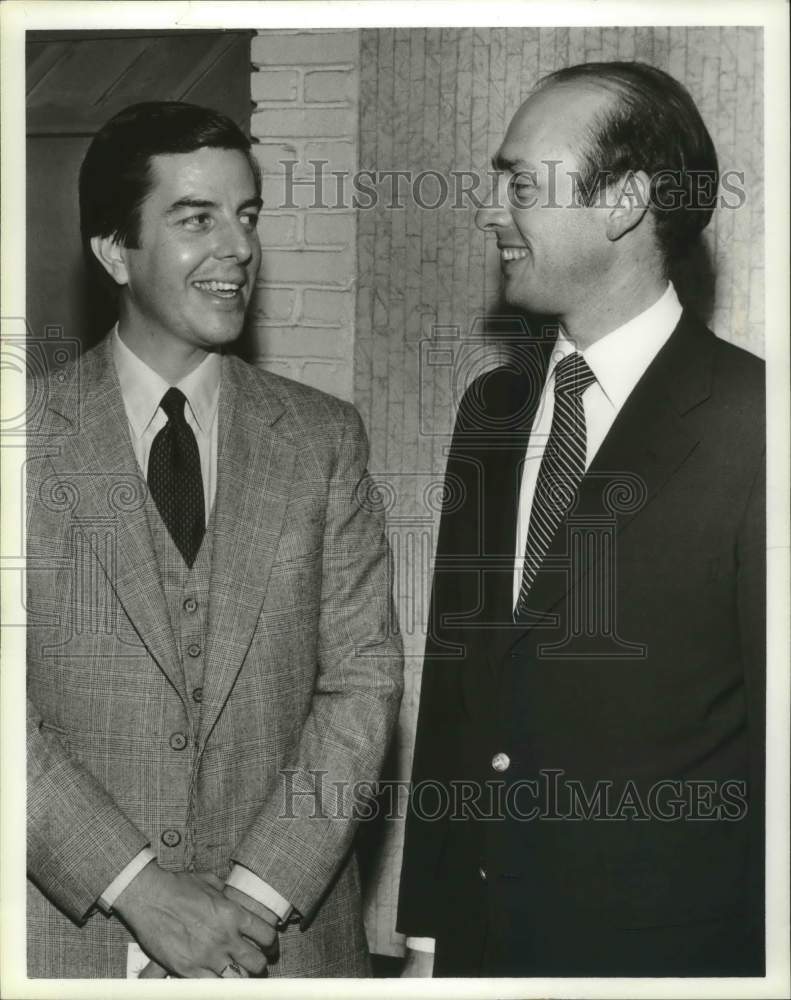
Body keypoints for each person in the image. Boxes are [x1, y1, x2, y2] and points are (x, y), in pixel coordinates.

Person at [397, 61, 765, 977]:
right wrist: (427, 934)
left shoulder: (757, 422)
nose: (490, 210)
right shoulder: (491, 408)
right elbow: (456, 684)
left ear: (624, 201)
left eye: (520, 183)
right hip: (479, 950)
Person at [26, 101, 403, 979]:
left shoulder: (323, 439)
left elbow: (362, 682)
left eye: (247, 216)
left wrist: (252, 902)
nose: (236, 247)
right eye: (196, 219)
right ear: (114, 251)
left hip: (286, 947)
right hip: (66, 946)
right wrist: (140, 890)